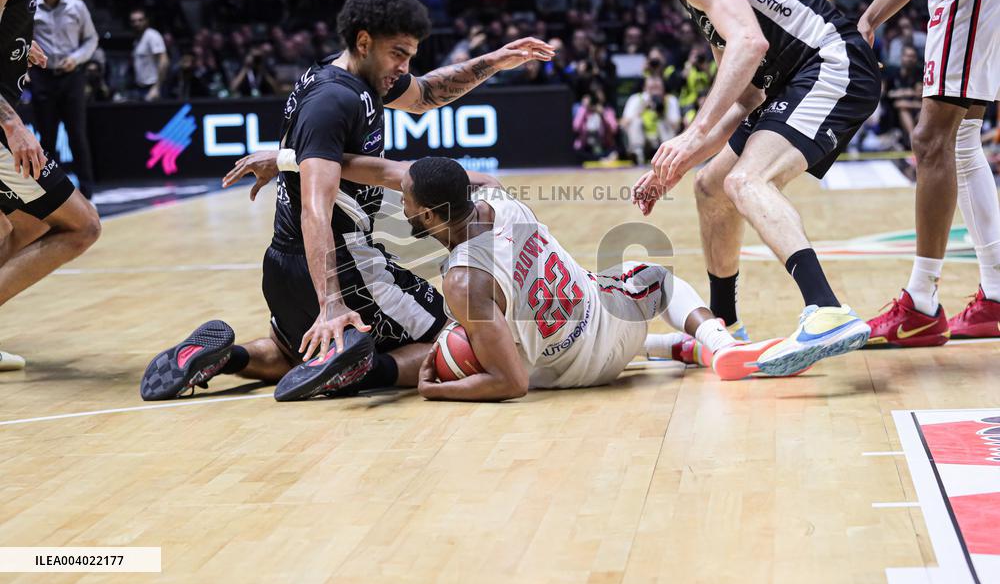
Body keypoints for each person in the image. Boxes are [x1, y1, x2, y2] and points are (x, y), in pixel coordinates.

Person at [139, 0, 554, 401]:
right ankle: (361, 370)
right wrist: (331, 304)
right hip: (340, 263)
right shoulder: (334, 100)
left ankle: (223, 359)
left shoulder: (359, 78)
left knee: (294, 353)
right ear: (363, 41)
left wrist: (496, 61)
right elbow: (315, 209)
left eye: (410, 55)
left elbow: (426, 94)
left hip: (284, 268)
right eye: (399, 54)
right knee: (459, 332)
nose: (405, 66)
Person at [227, 152, 786, 389]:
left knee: (459, 345)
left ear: (436, 213)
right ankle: (706, 341)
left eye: (412, 205)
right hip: (612, 328)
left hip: (569, 376)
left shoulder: (462, 280)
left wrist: (436, 393)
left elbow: (512, 384)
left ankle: (362, 374)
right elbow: (403, 173)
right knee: (652, 276)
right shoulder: (500, 199)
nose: (405, 207)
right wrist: (294, 160)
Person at [615, 0, 880, 375]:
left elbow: (750, 43)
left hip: (832, 62)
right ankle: (726, 326)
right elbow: (747, 100)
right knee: (711, 186)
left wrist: (692, 136)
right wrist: (676, 163)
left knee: (747, 180)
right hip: (795, 81)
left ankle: (827, 309)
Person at [815, 0, 1000, 344]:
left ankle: (920, 305)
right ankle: (995, 296)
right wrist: (870, 17)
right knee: (961, 138)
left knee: (931, 140)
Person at [0, 0, 102, 371]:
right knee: (82, 226)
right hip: (0, 124)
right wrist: (12, 124)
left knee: (24, 226)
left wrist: (20, 43)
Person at [30, 0, 98, 199]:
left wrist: (77, 58)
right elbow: (21, 40)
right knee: (46, 137)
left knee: (77, 134)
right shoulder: (30, 8)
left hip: (72, 76)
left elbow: (91, 39)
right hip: (42, 77)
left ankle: (88, 192)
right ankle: (52, 193)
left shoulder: (76, 6)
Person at [620, 74, 681, 163]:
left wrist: (663, 114)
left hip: (662, 140)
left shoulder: (670, 100)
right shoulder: (636, 99)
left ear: (663, 88)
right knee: (636, 121)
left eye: (658, 88)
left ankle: (667, 154)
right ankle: (637, 153)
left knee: (662, 122)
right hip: (643, 140)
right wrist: (641, 109)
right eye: (652, 88)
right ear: (645, 88)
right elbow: (623, 124)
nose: (655, 92)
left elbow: (677, 127)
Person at [129, 8, 168, 101]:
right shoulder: (136, 41)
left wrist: (156, 87)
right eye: (133, 21)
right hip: (141, 88)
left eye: (140, 20)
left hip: (153, 87)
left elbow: (164, 61)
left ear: (146, 21)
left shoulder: (152, 36)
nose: (137, 23)